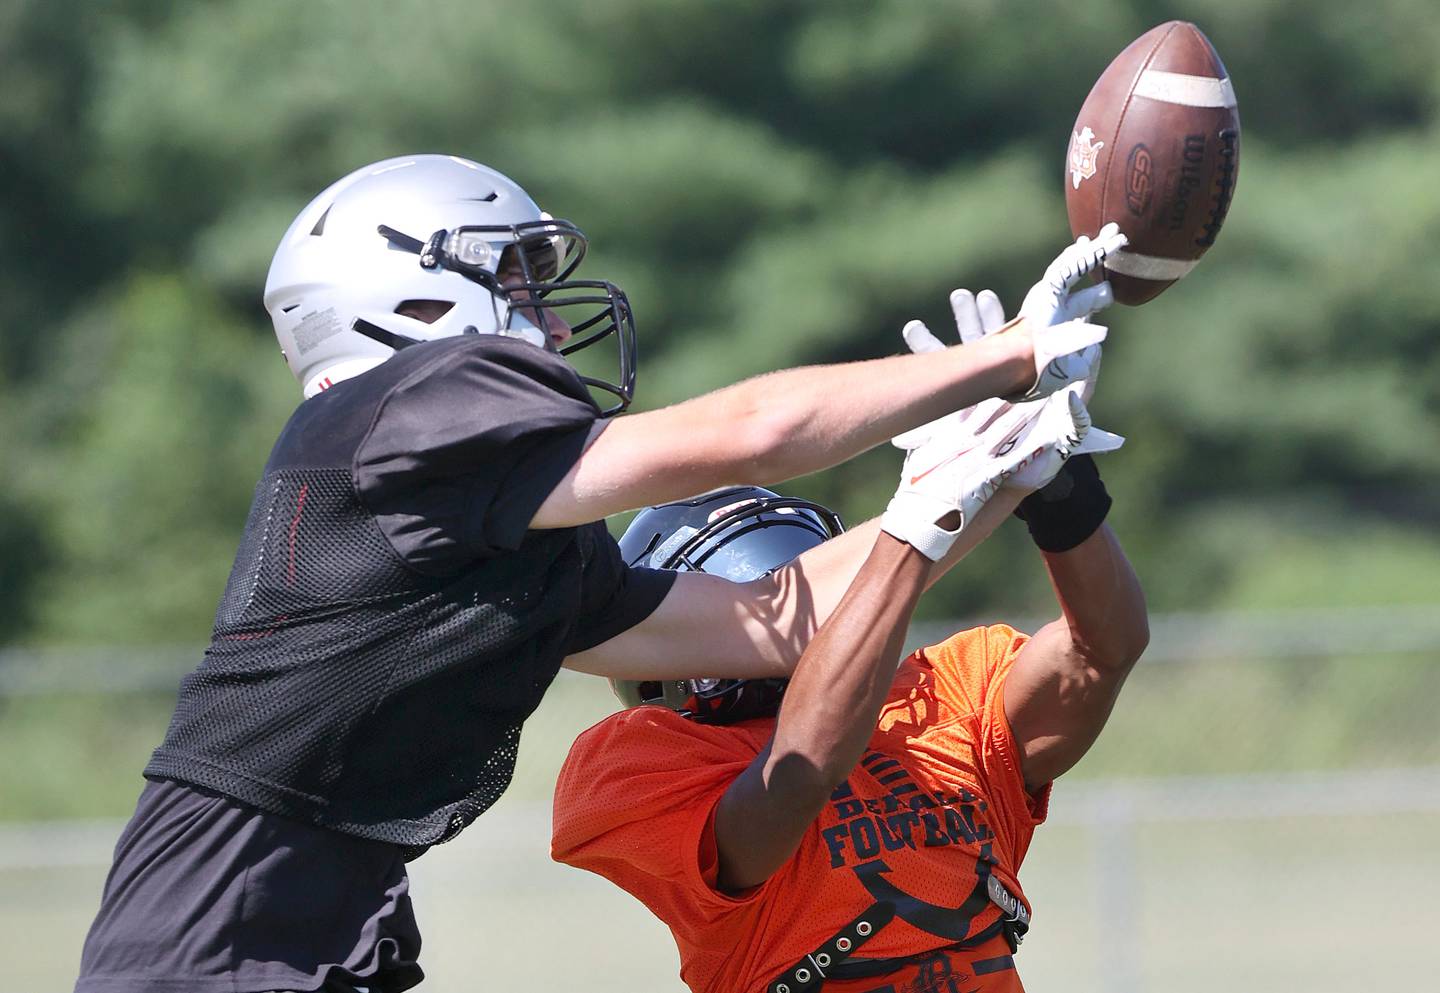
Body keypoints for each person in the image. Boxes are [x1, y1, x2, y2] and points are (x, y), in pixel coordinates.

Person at [75, 153, 1124, 993]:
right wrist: (1008, 355)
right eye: (518, 279)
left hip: (325, 933)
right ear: (412, 306)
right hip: (213, 944)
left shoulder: (496, 541)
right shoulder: (384, 424)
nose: (557, 318)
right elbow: (753, 434)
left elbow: (779, 618)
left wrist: (1005, 461)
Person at [551, 290, 1148, 993]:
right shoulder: (636, 761)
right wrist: (922, 522)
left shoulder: (945, 692)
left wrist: (1057, 481)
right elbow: (800, 770)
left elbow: (1102, 650)